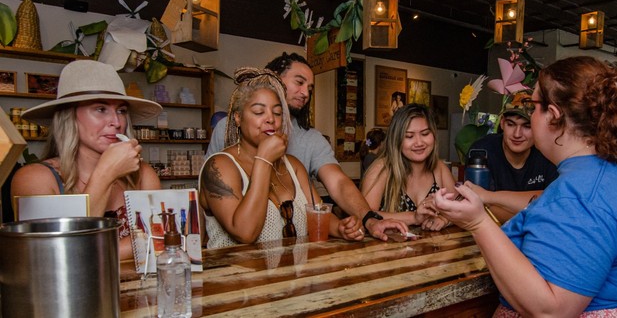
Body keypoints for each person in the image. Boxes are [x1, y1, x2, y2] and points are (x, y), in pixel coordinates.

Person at [433, 56, 617, 316]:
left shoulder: (580, 194)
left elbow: (551, 310)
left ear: (554, 116)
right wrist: (487, 198)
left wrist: (478, 223)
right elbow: (556, 206)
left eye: (534, 107)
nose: (530, 117)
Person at [206, 52, 407, 240]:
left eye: (277, 113)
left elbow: (334, 188)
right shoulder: (223, 147)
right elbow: (224, 212)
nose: (305, 93)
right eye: (299, 82)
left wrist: (357, 223)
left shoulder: (298, 159)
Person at [11, 60, 163, 260]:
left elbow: (162, 237)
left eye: (121, 111)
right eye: (101, 109)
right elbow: (58, 256)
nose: (116, 122)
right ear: (69, 116)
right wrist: (106, 173)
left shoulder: (143, 174)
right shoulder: (35, 179)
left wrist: (94, 252)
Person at [198, 67, 364, 248]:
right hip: (236, 274)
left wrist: (340, 228)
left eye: (277, 113)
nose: (271, 119)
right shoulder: (219, 166)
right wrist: (263, 160)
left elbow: (317, 214)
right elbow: (245, 233)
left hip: (294, 275)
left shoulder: (294, 166)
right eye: (259, 112)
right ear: (238, 118)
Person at [361, 104, 457, 231]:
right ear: (397, 139)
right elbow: (364, 215)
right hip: (387, 248)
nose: (419, 143)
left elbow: (459, 210)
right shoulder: (381, 169)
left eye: (425, 133)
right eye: (409, 136)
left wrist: (445, 220)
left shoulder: (440, 168)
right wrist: (414, 217)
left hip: (431, 248)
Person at [467, 89, 558, 221]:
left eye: (527, 126)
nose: (517, 134)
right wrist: (534, 211)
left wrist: (489, 197)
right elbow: (477, 206)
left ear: (537, 127)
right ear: (502, 123)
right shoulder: (482, 150)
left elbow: (553, 203)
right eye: (511, 124)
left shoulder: (548, 154)